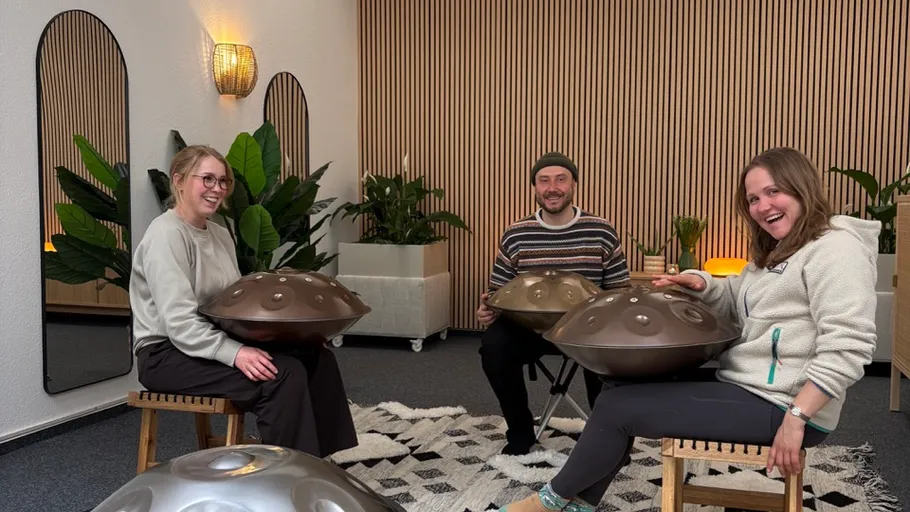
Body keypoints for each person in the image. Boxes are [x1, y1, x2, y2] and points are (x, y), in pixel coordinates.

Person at [497, 146, 879, 511]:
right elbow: (739, 298)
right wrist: (702, 283)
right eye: (753, 199)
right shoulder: (782, 251)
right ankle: (580, 505)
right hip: (755, 386)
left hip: (787, 405)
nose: (763, 206)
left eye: (773, 192)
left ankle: (545, 503)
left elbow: (850, 347)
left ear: (802, 187)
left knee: (616, 408)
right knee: (619, 385)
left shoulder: (835, 250)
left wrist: (796, 418)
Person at [130, 145, 358, 458]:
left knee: (316, 357)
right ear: (179, 181)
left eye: (223, 181)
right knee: (280, 375)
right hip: (165, 355)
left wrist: (287, 335)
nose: (217, 189)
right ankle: (288, 472)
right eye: (207, 179)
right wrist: (236, 353)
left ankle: (319, 464)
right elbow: (179, 323)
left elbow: (234, 303)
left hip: (210, 338)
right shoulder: (165, 235)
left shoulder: (220, 234)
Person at [476, 151, 631, 456]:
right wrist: (488, 308)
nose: (552, 187)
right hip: (530, 328)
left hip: (586, 328)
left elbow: (619, 290)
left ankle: (608, 437)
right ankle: (520, 432)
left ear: (574, 184)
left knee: (610, 349)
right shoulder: (516, 233)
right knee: (494, 347)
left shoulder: (600, 229)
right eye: (544, 180)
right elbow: (499, 291)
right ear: (534, 187)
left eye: (561, 179)